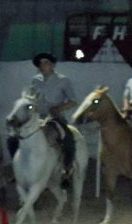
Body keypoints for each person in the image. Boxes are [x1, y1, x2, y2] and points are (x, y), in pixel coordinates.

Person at [28, 52, 78, 185]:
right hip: (38, 117)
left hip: (55, 117)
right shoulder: (35, 80)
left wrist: (58, 108)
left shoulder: (63, 80)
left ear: (53, 65)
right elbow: (30, 98)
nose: (43, 65)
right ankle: (23, 168)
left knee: (67, 138)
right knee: (18, 137)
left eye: (46, 63)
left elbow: (73, 101)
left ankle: (67, 169)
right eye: (41, 63)